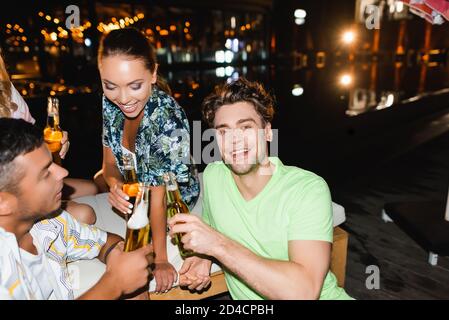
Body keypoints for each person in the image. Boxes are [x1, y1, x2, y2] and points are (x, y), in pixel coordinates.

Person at [169, 78, 353, 300]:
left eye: (246, 127)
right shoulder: (213, 176)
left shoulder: (307, 190)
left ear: (267, 132)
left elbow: (304, 293)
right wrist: (203, 257)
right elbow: (213, 225)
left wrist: (217, 246)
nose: (234, 140)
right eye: (223, 131)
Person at [0, 118, 153, 300]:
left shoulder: (49, 224)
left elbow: (105, 242)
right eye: (45, 172)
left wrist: (121, 263)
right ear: (3, 202)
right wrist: (114, 284)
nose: (63, 173)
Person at [97, 28, 200, 294]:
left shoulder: (168, 119)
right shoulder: (110, 104)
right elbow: (108, 163)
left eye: (135, 86)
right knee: (94, 184)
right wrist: (114, 183)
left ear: (153, 73)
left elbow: (159, 193)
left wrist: (162, 258)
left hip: (169, 197)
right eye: (110, 86)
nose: (123, 98)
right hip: (136, 188)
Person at [0, 50, 97, 224]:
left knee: (92, 188)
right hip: (11, 192)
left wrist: (50, 144)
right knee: (85, 214)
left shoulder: (6, 89)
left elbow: (32, 138)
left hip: (31, 179)